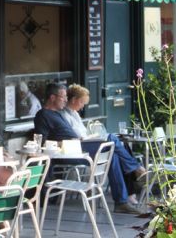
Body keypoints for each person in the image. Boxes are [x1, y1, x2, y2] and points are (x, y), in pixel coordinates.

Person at [34, 83, 145, 214]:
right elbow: (41, 142)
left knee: (112, 155)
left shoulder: (58, 114)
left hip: (79, 147)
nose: (65, 99)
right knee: (111, 138)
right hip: (70, 152)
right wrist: (64, 143)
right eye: (62, 97)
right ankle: (136, 169)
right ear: (52, 97)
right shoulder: (42, 115)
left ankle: (121, 202)